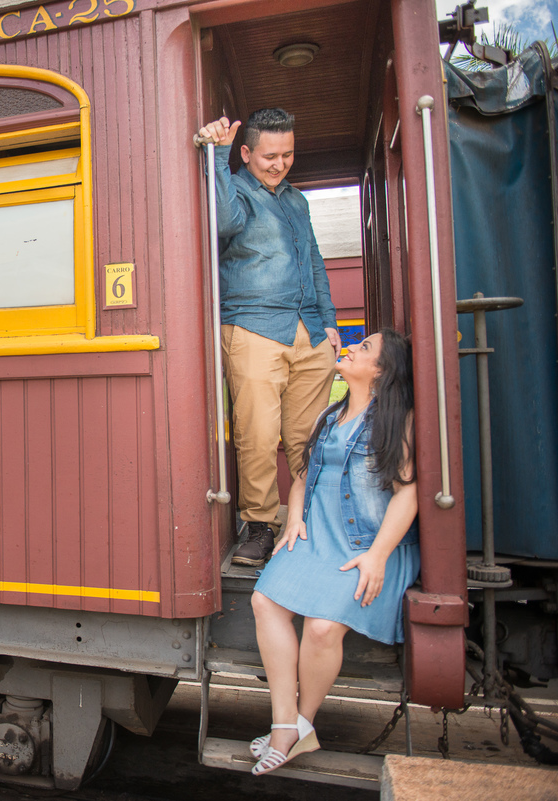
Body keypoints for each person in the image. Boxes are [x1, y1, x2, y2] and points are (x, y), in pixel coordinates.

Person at [247, 329, 420, 775]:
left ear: (382, 373)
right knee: (264, 600)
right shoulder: (330, 413)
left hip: (365, 544)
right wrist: (296, 517)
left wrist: (379, 555)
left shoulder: (397, 420)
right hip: (317, 534)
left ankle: (303, 725)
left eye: (364, 349)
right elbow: (304, 474)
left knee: (323, 629)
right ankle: (285, 723)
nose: (350, 349)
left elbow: (408, 494)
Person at [197, 109, 341, 566]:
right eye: (269, 156)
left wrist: (331, 321)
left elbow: (314, 260)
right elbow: (220, 225)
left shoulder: (297, 201)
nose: (279, 163)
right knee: (256, 435)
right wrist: (217, 156)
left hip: (310, 331)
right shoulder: (234, 186)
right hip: (253, 327)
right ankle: (260, 526)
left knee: (310, 436)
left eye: (288, 154)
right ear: (246, 152)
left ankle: (310, 521)